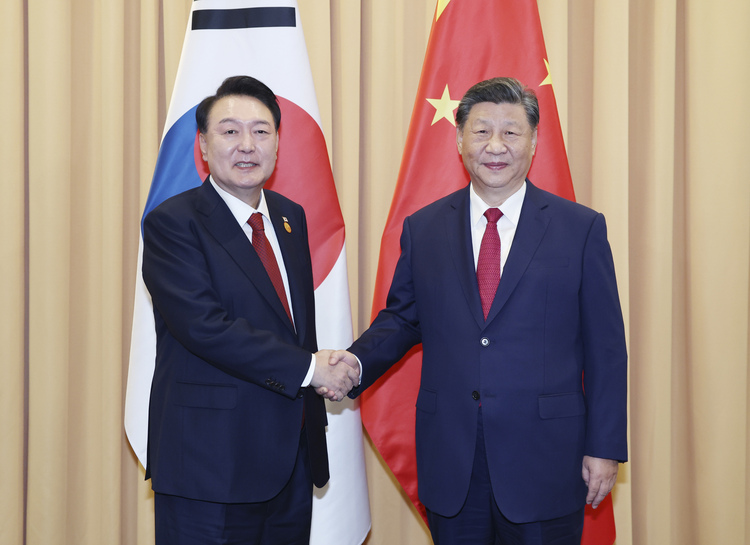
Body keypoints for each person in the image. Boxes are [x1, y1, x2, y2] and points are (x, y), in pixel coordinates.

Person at [328, 77, 628, 544]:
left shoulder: (580, 229)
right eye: (482, 130)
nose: (496, 145)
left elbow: (606, 349)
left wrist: (605, 448)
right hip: (454, 459)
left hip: (548, 461)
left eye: (511, 132)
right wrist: (356, 362)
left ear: (534, 142)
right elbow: (404, 318)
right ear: (459, 139)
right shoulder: (424, 228)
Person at [142, 75, 359, 545]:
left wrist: (322, 367)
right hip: (208, 467)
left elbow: (293, 327)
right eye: (230, 131)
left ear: (278, 143)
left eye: (261, 131)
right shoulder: (172, 224)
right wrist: (311, 368)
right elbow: (205, 327)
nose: (247, 145)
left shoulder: (289, 217)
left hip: (289, 463)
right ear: (203, 144)